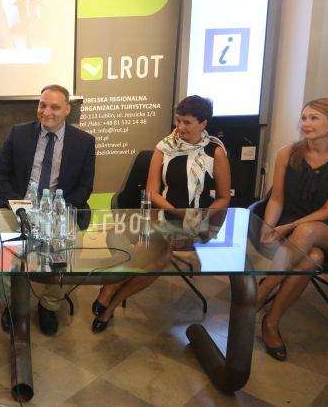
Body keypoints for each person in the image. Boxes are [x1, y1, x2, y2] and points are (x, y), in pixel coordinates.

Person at [91, 95, 231, 332]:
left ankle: (110, 294)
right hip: (165, 214)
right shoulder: (164, 147)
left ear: (203, 124)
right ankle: (109, 300)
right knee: (158, 258)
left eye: (187, 122)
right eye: (178, 120)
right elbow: (151, 193)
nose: (180, 127)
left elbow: (224, 197)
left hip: (200, 222)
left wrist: (201, 216)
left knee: (153, 253)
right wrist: (178, 213)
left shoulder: (215, 152)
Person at [0, 84, 96, 335]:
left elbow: (84, 188)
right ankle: (11, 304)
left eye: (54, 107)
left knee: (66, 253)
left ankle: (49, 305)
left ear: (67, 110)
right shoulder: (18, 133)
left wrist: (57, 211)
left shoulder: (84, 142)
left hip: (58, 209)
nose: (46, 112)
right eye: (42, 105)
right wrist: (18, 205)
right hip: (17, 206)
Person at [256, 98, 328, 360]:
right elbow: (276, 199)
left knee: (307, 233)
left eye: (314, 118)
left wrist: (289, 227)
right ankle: (271, 323)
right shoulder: (287, 153)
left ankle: (262, 290)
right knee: (312, 257)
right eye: (304, 117)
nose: (306, 123)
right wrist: (268, 227)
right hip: (292, 226)